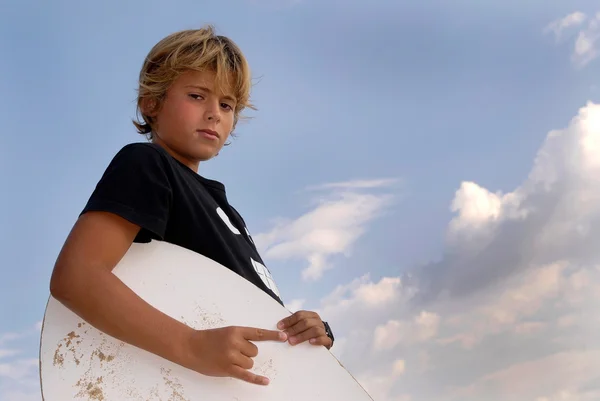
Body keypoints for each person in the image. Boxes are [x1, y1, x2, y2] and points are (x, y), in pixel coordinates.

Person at [49, 25, 334, 387]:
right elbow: (77, 276)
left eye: (227, 104)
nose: (215, 113)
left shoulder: (228, 214)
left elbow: (232, 313)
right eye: (198, 96)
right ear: (151, 103)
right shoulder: (147, 164)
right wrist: (191, 344)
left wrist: (305, 334)